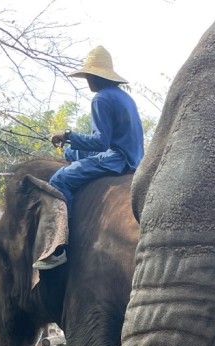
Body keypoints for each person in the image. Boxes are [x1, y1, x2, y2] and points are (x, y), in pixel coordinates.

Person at [32, 46, 145, 271]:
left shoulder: (101, 99)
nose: (87, 81)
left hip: (117, 159)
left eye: (88, 77)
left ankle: (58, 247)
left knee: (59, 180)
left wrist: (67, 135)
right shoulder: (124, 97)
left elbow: (101, 142)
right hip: (135, 156)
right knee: (71, 154)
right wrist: (71, 148)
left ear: (95, 77)